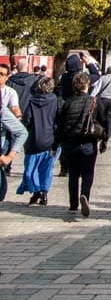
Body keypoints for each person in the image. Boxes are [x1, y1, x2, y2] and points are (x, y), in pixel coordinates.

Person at [54, 71, 98, 217]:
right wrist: (103, 137)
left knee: (73, 174)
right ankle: (85, 195)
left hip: (70, 143)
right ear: (87, 85)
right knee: (88, 173)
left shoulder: (68, 103)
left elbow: (60, 126)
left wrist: (55, 145)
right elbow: (101, 120)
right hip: (88, 143)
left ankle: (73, 205)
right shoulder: (93, 102)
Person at [16, 76, 60, 206]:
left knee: (31, 169)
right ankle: (44, 193)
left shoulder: (32, 101)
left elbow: (27, 121)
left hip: (34, 141)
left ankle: (36, 191)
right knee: (46, 169)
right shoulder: (55, 101)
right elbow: (58, 121)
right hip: (50, 140)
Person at [90, 67, 111, 152]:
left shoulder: (102, 78)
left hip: (102, 100)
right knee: (110, 120)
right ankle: (106, 138)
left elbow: (96, 89)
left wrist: (91, 98)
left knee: (101, 118)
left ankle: (100, 134)